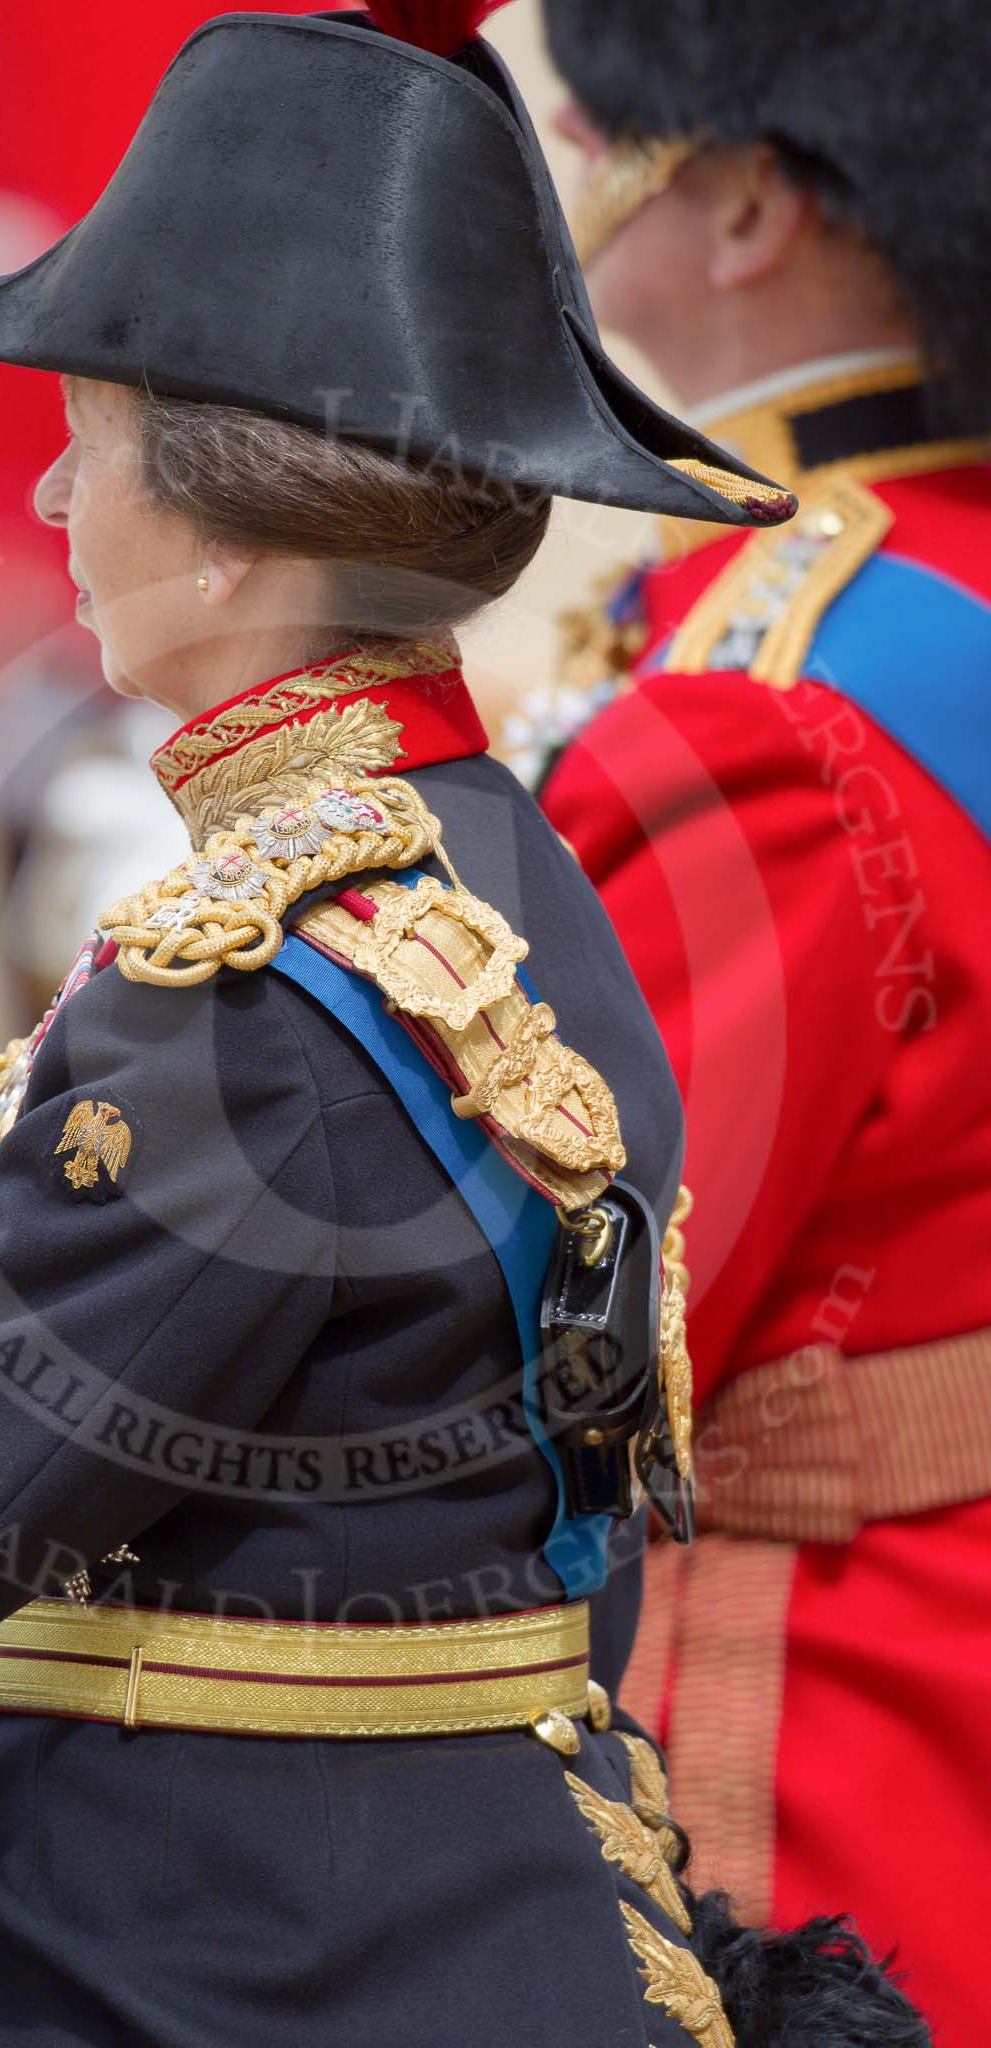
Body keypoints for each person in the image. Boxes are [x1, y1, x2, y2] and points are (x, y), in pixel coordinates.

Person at [0, 7, 927, 2046]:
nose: (52, 491)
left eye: (94, 440)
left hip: (207, 1933)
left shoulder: (245, 987)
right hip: (481, 1884)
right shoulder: (515, 871)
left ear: (225, 537)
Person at [533, 2, 991, 2039]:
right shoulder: (895, 604)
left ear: (737, 202)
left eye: (601, 123)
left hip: (816, 1749)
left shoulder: (763, 718)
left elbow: (555, 1344)